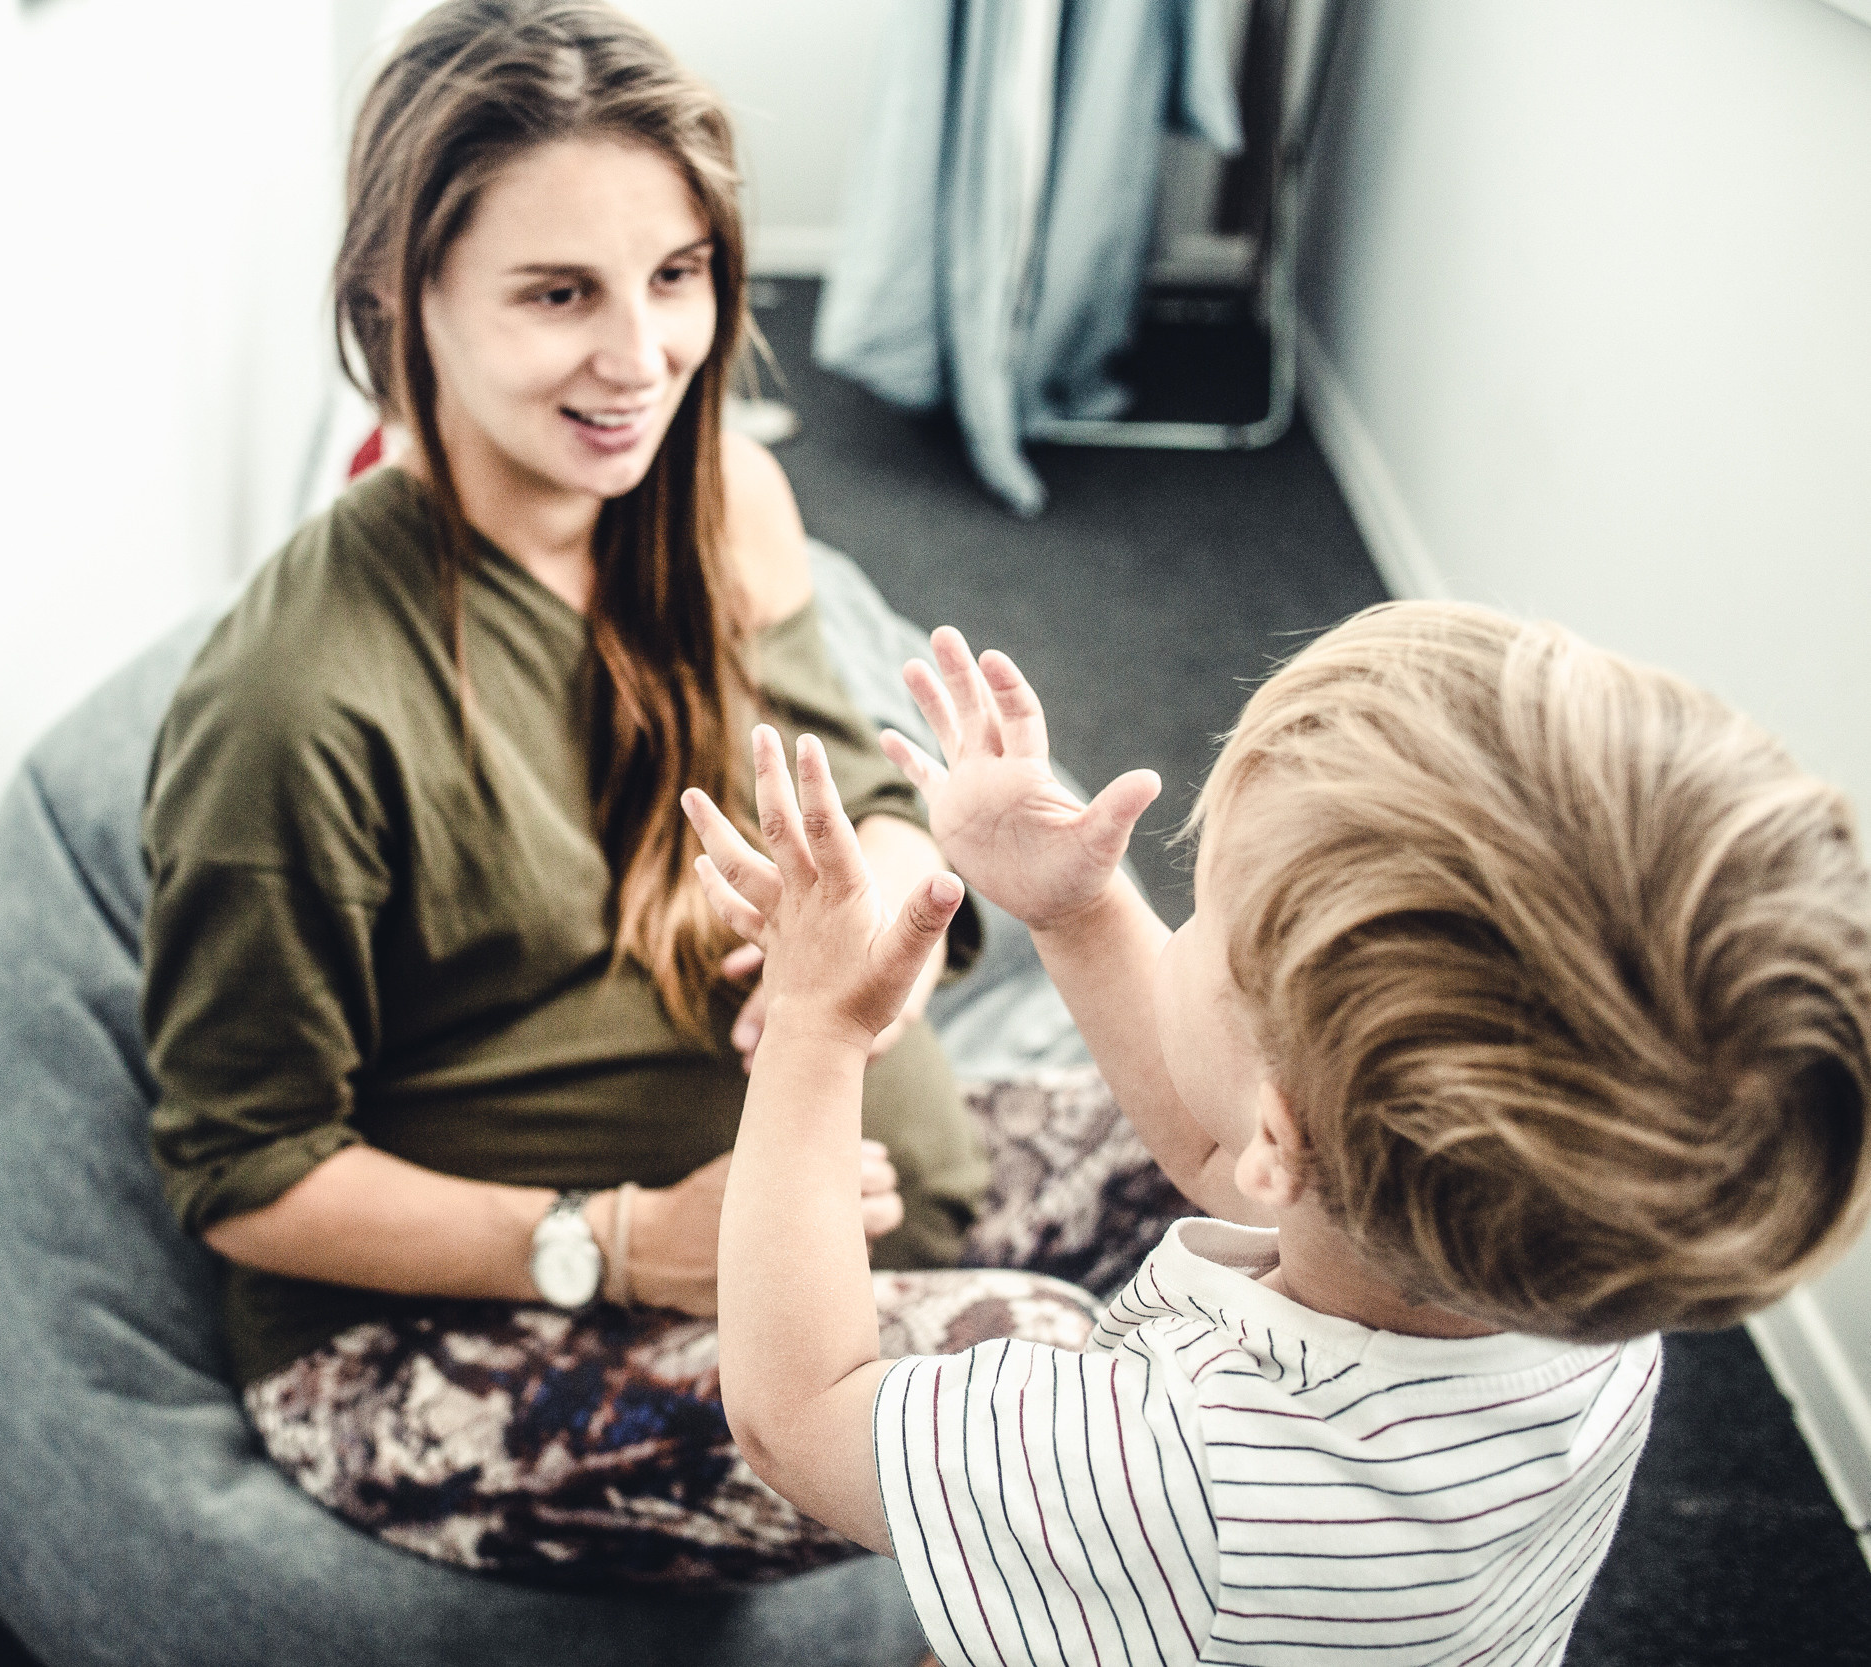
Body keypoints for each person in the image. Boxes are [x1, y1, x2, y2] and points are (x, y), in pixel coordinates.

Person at [139, 0, 1145, 1587]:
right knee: (1061, 1396)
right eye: (559, 294)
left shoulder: (718, 490)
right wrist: (614, 1240)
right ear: (402, 299)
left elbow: (861, 784)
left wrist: (872, 914)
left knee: (1320, 1094)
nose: (643, 357)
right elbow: (244, 1171)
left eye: (676, 276)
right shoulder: (293, 703)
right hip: (431, 1339)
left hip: (845, 1210)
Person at [686, 602, 1871, 1662]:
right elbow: (1226, 1163)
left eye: (1203, 908)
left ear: (1283, 1125)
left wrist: (814, 1025)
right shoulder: (1589, 1262)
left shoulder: (1156, 1468)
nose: (1179, 913)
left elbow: (798, 1413)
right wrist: (1078, 906)